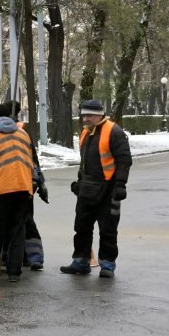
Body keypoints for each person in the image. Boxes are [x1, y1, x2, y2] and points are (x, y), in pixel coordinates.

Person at [0, 101, 47, 282]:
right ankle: (14, 272)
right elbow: (32, 160)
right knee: (17, 231)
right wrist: (37, 182)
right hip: (23, 188)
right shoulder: (22, 133)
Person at [62, 99, 132, 279]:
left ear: (100, 115)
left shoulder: (114, 132)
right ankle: (80, 261)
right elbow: (85, 162)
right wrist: (79, 181)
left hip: (108, 190)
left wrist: (120, 186)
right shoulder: (86, 133)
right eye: (83, 115)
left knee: (107, 229)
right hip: (87, 189)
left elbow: (124, 161)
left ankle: (107, 265)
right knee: (82, 228)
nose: (85, 118)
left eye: (89, 115)